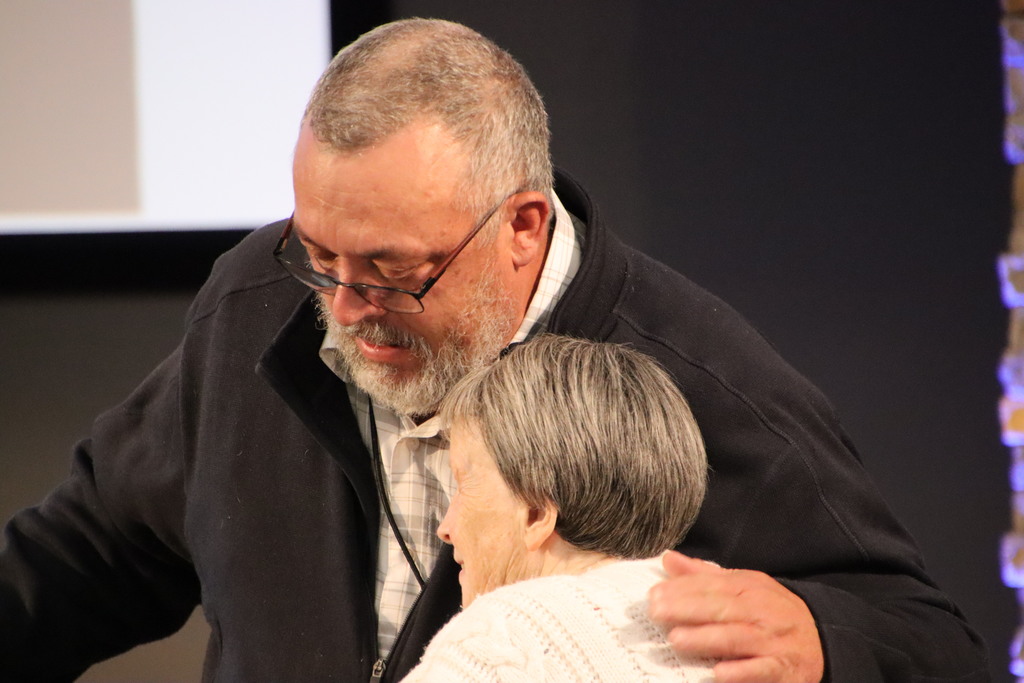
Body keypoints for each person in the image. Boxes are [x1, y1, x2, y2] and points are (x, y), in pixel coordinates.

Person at [0, 17, 987, 683]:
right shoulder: (257, 304)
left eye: (392, 271)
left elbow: (930, 640)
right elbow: (91, 553)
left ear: (521, 223)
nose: (342, 308)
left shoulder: (693, 376)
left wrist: (825, 638)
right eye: (318, 254)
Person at [400, 334, 714, 682]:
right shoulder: (737, 627)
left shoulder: (499, 644)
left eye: (463, 485)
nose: (446, 527)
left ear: (536, 513)